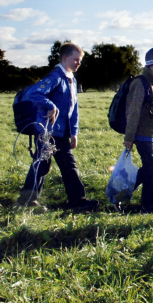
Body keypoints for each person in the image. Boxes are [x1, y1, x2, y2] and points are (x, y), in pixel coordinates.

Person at [16, 43, 98, 212]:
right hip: (46, 131)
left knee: (61, 164)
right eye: (76, 59)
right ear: (65, 58)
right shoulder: (56, 77)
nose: (78, 63)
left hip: (61, 132)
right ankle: (74, 200)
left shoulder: (71, 80)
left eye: (80, 60)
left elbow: (73, 110)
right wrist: (50, 105)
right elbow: (34, 93)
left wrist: (74, 132)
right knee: (46, 164)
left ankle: (30, 199)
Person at [124, 48, 153, 213]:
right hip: (141, 134)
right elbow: (133, 112)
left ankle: (122, 191)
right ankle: (150, 207)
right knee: (152, 169)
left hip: (151, 134)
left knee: (149, 169)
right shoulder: (140, 82)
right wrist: (129, 138)